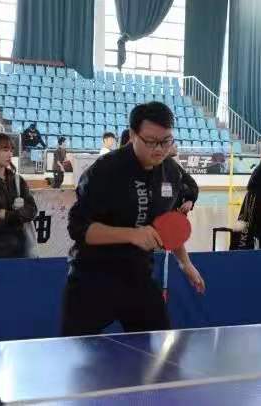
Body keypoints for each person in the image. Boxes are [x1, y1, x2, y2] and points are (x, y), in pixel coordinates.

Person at [63, 101, 205, 336]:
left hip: (138, 276)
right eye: (150, 141)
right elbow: (78, 229)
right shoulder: (106, 170)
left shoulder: (170, 172)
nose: (159, 149)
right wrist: (131, 234)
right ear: (132, 135)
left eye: (166, 141)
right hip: (92, 278)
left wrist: (185, 262)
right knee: (77, 352)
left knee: (160, 349)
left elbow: (168, 222)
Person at [169, 142, 199, 214]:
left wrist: (190, 200)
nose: (176, 145)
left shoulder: (174, 165)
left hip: (176, 213)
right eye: (172, 143)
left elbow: (192, 184)